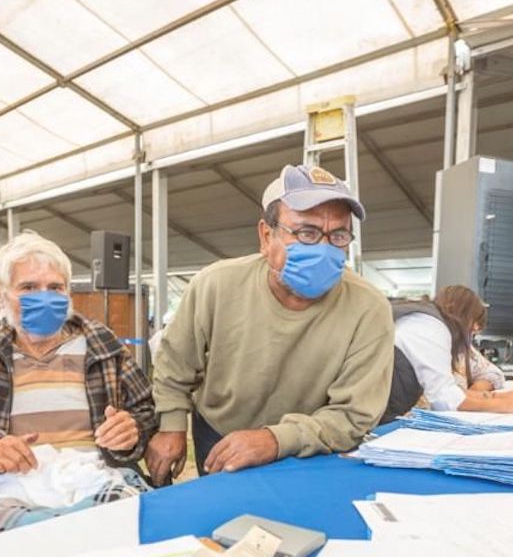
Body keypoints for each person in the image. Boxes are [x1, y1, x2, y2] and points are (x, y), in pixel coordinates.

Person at [147, 164, 394, 481]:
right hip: (218, 431)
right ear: (266, 236)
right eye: (306, 233)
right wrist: (171, 426)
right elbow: (175, 362)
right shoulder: (216, 284)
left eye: (338, 235)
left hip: (308, 448)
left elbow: (354, 414)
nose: (323, 249)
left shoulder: (368, 308)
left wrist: (276, 439)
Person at [0, 231, 156, 479]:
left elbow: (147, 411)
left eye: (55, 287)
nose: (44, 298)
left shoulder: (102, 345)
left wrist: (133, 429)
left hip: (95, 481)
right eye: (29, 287)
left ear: (68, 292)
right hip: (4, 487)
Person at [382, 285, 513, 422]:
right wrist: (506, 405)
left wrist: (483, 395)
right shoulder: (430, 327)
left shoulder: (422, 319)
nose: (470, 339)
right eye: (472, 331)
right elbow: (444, 400)